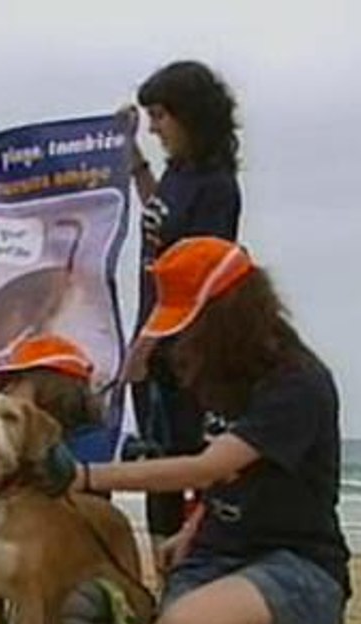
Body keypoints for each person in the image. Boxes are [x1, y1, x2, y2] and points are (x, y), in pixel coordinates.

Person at [43, 237, 350, 624]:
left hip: (297, 564)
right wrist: (193, 524)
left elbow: (212, 465)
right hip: (218, 553)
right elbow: (231, 473)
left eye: (192, 322)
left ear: (229, 314)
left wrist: (83, 476)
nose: (183, 338)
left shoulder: (297, 383)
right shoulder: (224, 372)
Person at [120, 60, 242, 559]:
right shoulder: (178, 172)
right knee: (157, 466)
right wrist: (132, 156)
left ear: (189, 115)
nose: (154, 128)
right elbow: (160, 219)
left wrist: (149, 342)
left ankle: (192, 570)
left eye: (159, 117)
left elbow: (198, 274)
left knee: (184, 462)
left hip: (187, 345)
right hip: (152, 335)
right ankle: (165, 573)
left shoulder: (217, 187)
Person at [0, 334, 137, 624]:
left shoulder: (85, 445)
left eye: (19, 381)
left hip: (83, 574)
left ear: (49, 389)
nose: (8, 389)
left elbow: (59, 483)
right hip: (35, 559)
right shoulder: (22, 443)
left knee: (61, 609)